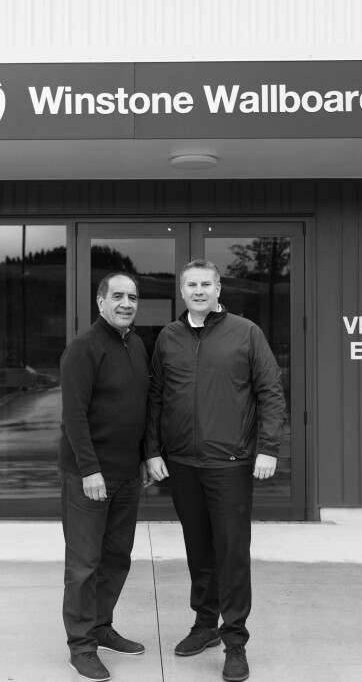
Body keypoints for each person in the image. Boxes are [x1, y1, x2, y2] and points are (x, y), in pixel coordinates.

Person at [144, 259, 286, 682]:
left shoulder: (246, 333)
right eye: (192, 285)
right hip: (182, 464)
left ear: (219, 289)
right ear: (182, 291)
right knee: (198, 550)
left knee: (232, 553)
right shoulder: (169, 337)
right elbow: (156, 397)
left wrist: (268, 447)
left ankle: (235, 641)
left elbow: (270, 391)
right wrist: (152, 451)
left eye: (207, 284)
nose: (199, 291)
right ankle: (205, 624)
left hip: (230, 464)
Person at [59, 272, 151, 682]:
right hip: (89, 477)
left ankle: (101, 626)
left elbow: (140, 407)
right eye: (117, 296)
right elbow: (73, 415)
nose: (126, 303)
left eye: (132, 297)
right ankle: (81, 646)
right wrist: (90, 469)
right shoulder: (84, 347)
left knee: (116, 558)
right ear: (101, 302)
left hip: (127, 474)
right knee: (84, 564)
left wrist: (145, 457)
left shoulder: (136, 345)